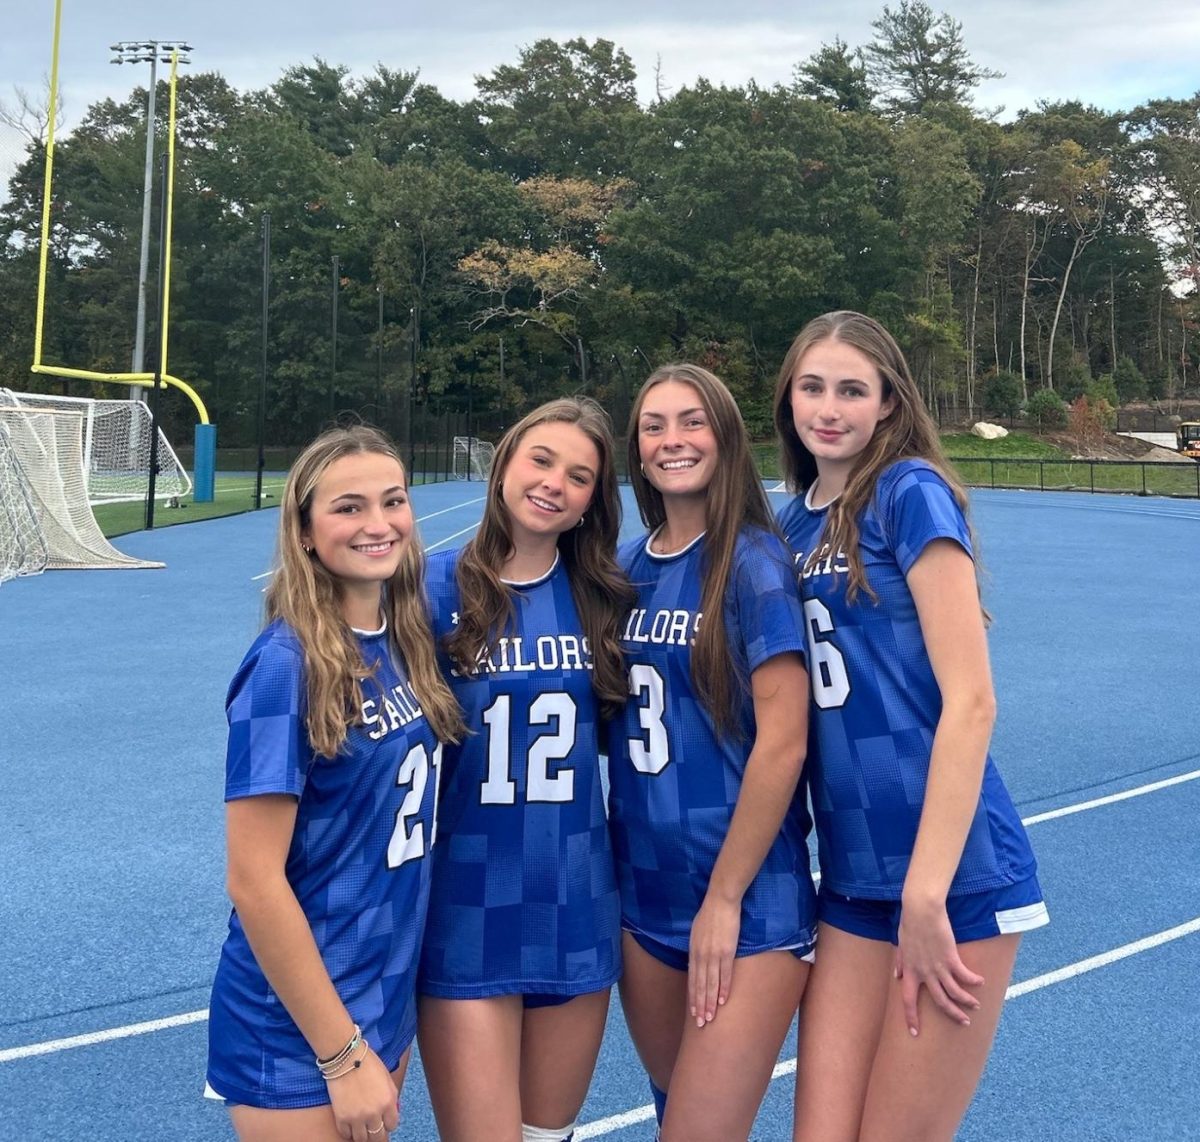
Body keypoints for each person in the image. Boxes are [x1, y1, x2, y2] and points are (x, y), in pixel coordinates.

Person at [773, 311, 1049, 1142]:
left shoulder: (908, 492)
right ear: (788, 398)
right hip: (854, 881)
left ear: (889, 404)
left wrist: (928, 894)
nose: (830, 407)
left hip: (954, 879)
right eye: (813, 387)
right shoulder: (789, 527)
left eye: (853, 390)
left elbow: (973, 700)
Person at [205, 424, 464, 1142]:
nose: (378, 524)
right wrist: (342, 1054)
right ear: (307, 531)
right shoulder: (285, 665)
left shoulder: (406, 643)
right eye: (349, 507)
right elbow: (253, 880)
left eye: (393, 501)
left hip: (379, 994)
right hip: (300, 1027)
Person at [608, 364, 817, 1142]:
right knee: (675, 1113)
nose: (672, 440)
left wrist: (724, 898)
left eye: (691, 421)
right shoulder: (626, 569)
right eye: (655, 424)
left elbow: (784, 740)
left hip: (746, 904)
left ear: (725, 436)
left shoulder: (755, 562)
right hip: (644, 898)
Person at [417, 398, 635, 1142]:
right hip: (467, 905)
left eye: (579, 476)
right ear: (504, 463)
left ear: (590, 503)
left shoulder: (605, 600)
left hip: (576, 901)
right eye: (541, 460)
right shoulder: (428, 587)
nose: (554, 484)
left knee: (548, 1137)